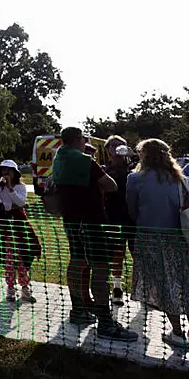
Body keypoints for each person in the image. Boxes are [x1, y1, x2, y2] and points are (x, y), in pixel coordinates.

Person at [53, 127, 138, 342]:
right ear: (79, 139)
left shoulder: (58, 159)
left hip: (72, 221)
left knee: (77, 262)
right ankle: (106, 323)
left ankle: (78, 310)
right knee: (100, 268)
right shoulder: (84, 160)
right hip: (92, 221)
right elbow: (111, 185)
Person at [126, 138, 189, 350]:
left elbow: (133, 210)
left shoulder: (135, 179)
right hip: (184, 236)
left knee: (166, 283)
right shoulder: (180, 179)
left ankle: (177, 332)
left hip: (152, 236)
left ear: (143, 155)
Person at [0, 160, 41, 303]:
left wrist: (11, 190)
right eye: (3, 171)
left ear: (14, 172)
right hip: (5, 226)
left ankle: (25, 290)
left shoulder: (20, 187)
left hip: (20, 226)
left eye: (8, 171)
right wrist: (3, 191)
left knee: (23, 258)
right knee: (9, 259)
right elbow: (2, 205)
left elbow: (20, 202)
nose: (5, 174)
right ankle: (10, 290)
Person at [103, 136, 136, 306]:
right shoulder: (104, 170)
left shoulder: (134, 168)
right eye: (112, 146)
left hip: (134, 219)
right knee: (117, 254)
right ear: (107, 150)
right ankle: (117, 287)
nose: (116, 149)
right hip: (114, 218)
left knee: (137, 254)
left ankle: (142, 289)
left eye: (119, 145)